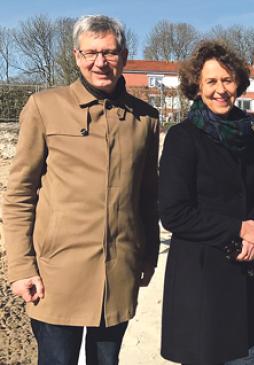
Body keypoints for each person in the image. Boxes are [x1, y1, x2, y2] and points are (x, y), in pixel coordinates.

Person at [3, 14, 159, 365]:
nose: (99, 62)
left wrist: (147, 254)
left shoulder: (145, 118)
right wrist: (21, 267)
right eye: (90, 53)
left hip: (117, 275)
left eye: (109, 53)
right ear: (76, 56)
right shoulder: (45, 106)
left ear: (124, 55)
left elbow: (148, 197)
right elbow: (19, 195)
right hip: (56, 277)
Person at [158, 40, 254, 365]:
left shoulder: (245, 135)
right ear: (197, 87)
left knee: (228, 354)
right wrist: (239, 228)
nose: (220, 90)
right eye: (211, 81)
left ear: (238, 84)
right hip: (200, 272)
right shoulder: (183, 137)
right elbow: (174, 214)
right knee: (202, 355)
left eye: (227, 80)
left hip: (240, 263)